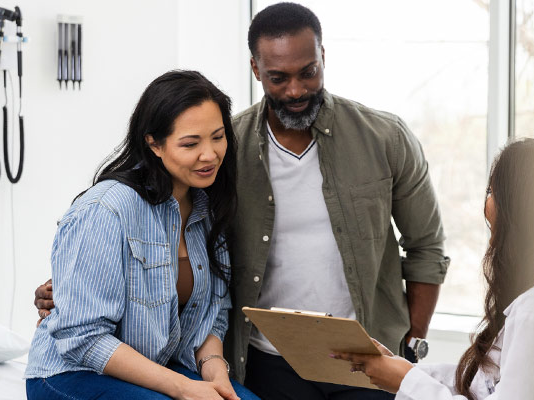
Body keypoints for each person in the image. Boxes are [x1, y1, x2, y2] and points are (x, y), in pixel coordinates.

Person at [36, 3, 449, 399]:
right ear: (256, 69)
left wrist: (412, 342)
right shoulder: (226, 150)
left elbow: (426, 247)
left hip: (367, 355)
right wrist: (73, 290)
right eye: (278, 77)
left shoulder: (384, 137)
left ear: (323, 56)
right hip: (267, 357)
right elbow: (122, 250)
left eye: (308, 72)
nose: (296, 90)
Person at [24, 70, 258, 400]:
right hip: (73, 373)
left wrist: (216, 374)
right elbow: (82, 336)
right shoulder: (105, 209)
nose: (210, 154)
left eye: (218, 137)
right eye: (191, 143)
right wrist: (184, 388)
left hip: (156, 370)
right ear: (154, 144)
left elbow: (211, 318)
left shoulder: (208, 208)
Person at [331, 139, 534, 400]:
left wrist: (405, 381)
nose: (486, 205)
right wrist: (402, 370)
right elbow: (486, 382)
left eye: (492, 192)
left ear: (521, 209)